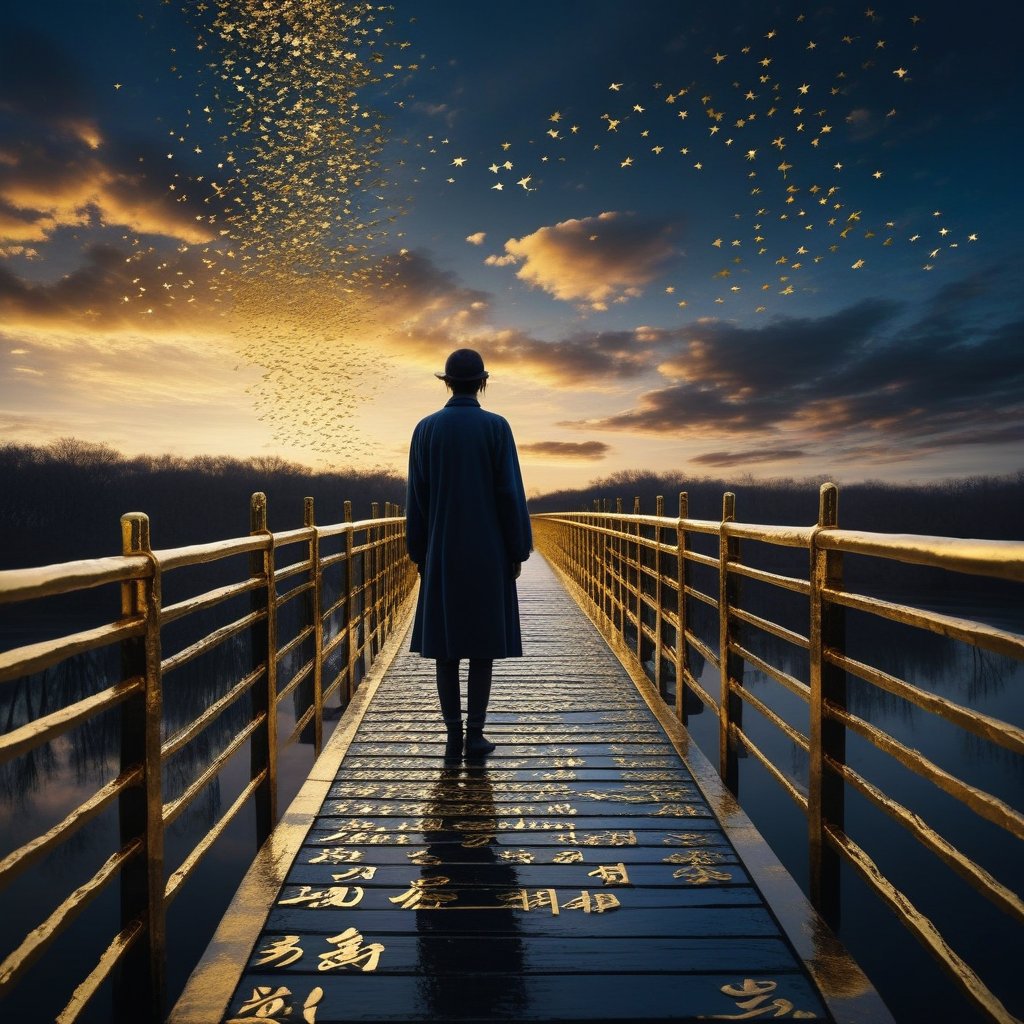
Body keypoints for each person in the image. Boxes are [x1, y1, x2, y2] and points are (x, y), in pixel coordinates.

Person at [405, 349, 532, 761]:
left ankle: (452, 734)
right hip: (488, 550)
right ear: (482, 382)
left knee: (446, 646)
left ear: (446, 382)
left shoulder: (425, 429)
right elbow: (509, 493)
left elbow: (417, 499)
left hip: (442, 549)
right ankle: (475, 733)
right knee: (481, 645)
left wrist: (419, 550)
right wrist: (517, 548)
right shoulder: (496, 427)